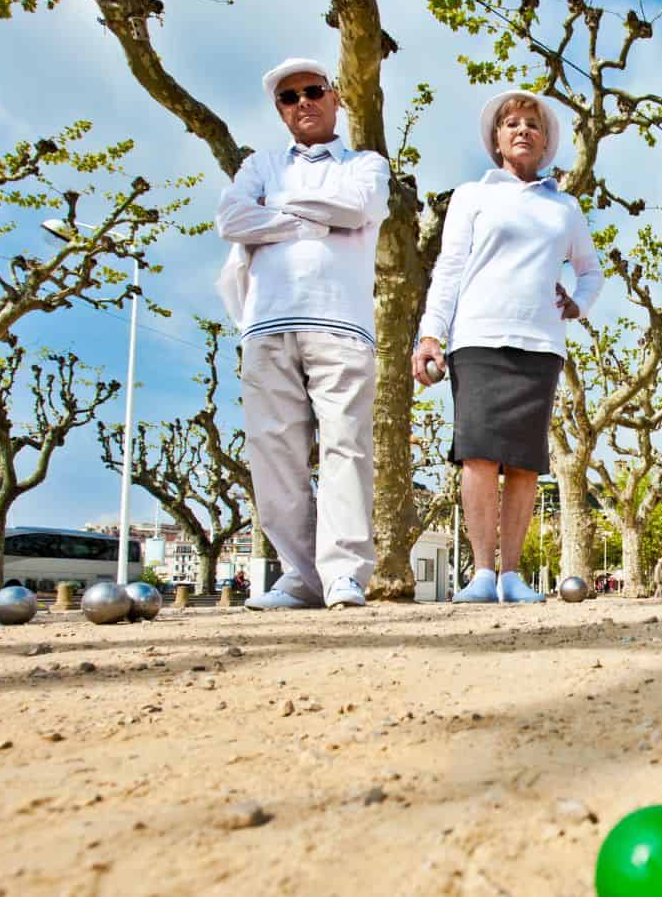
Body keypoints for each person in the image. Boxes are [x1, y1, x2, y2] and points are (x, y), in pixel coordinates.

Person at [412, 90, 602, 604]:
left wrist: (578, 305)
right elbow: (448, 269)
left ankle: (513, 575)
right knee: (477, 455)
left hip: (540, 343)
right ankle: (480, 573)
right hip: (476, 339)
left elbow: (591, 269)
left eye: (532, 126)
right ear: (496, 139)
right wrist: (431, 334)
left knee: (523, 460)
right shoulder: (472, 196)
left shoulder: (565, 206)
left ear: (545, 143)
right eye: (511, 123)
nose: (522, 131)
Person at [215, 58, 390, 610]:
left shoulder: (365, 164)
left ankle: (343, 573)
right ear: (280, 111)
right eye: (290, 98)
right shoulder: (259, 164)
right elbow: (229, 219)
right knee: (273, 452)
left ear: (335, 98)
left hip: (340, 322)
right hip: (265, 322)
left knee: (345, 447)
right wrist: (311, 220)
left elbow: (358, 207)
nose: (303, 103)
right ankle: (300, 574)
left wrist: (275, 207)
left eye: (313, 91)